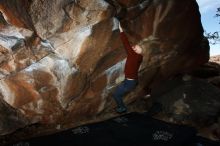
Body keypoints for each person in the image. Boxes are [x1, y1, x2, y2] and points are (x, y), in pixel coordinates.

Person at [113, 21, 143, 113]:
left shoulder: (134, 55)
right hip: (131, 80)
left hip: (130, 83)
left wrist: (121, 30)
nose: (134, 48)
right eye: (135, 47)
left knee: (116, 95)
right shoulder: (138, 57)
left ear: (139, 51)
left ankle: (122, 108)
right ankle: (122, 107)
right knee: (117, 93)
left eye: (136, 48)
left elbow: (126, 44)